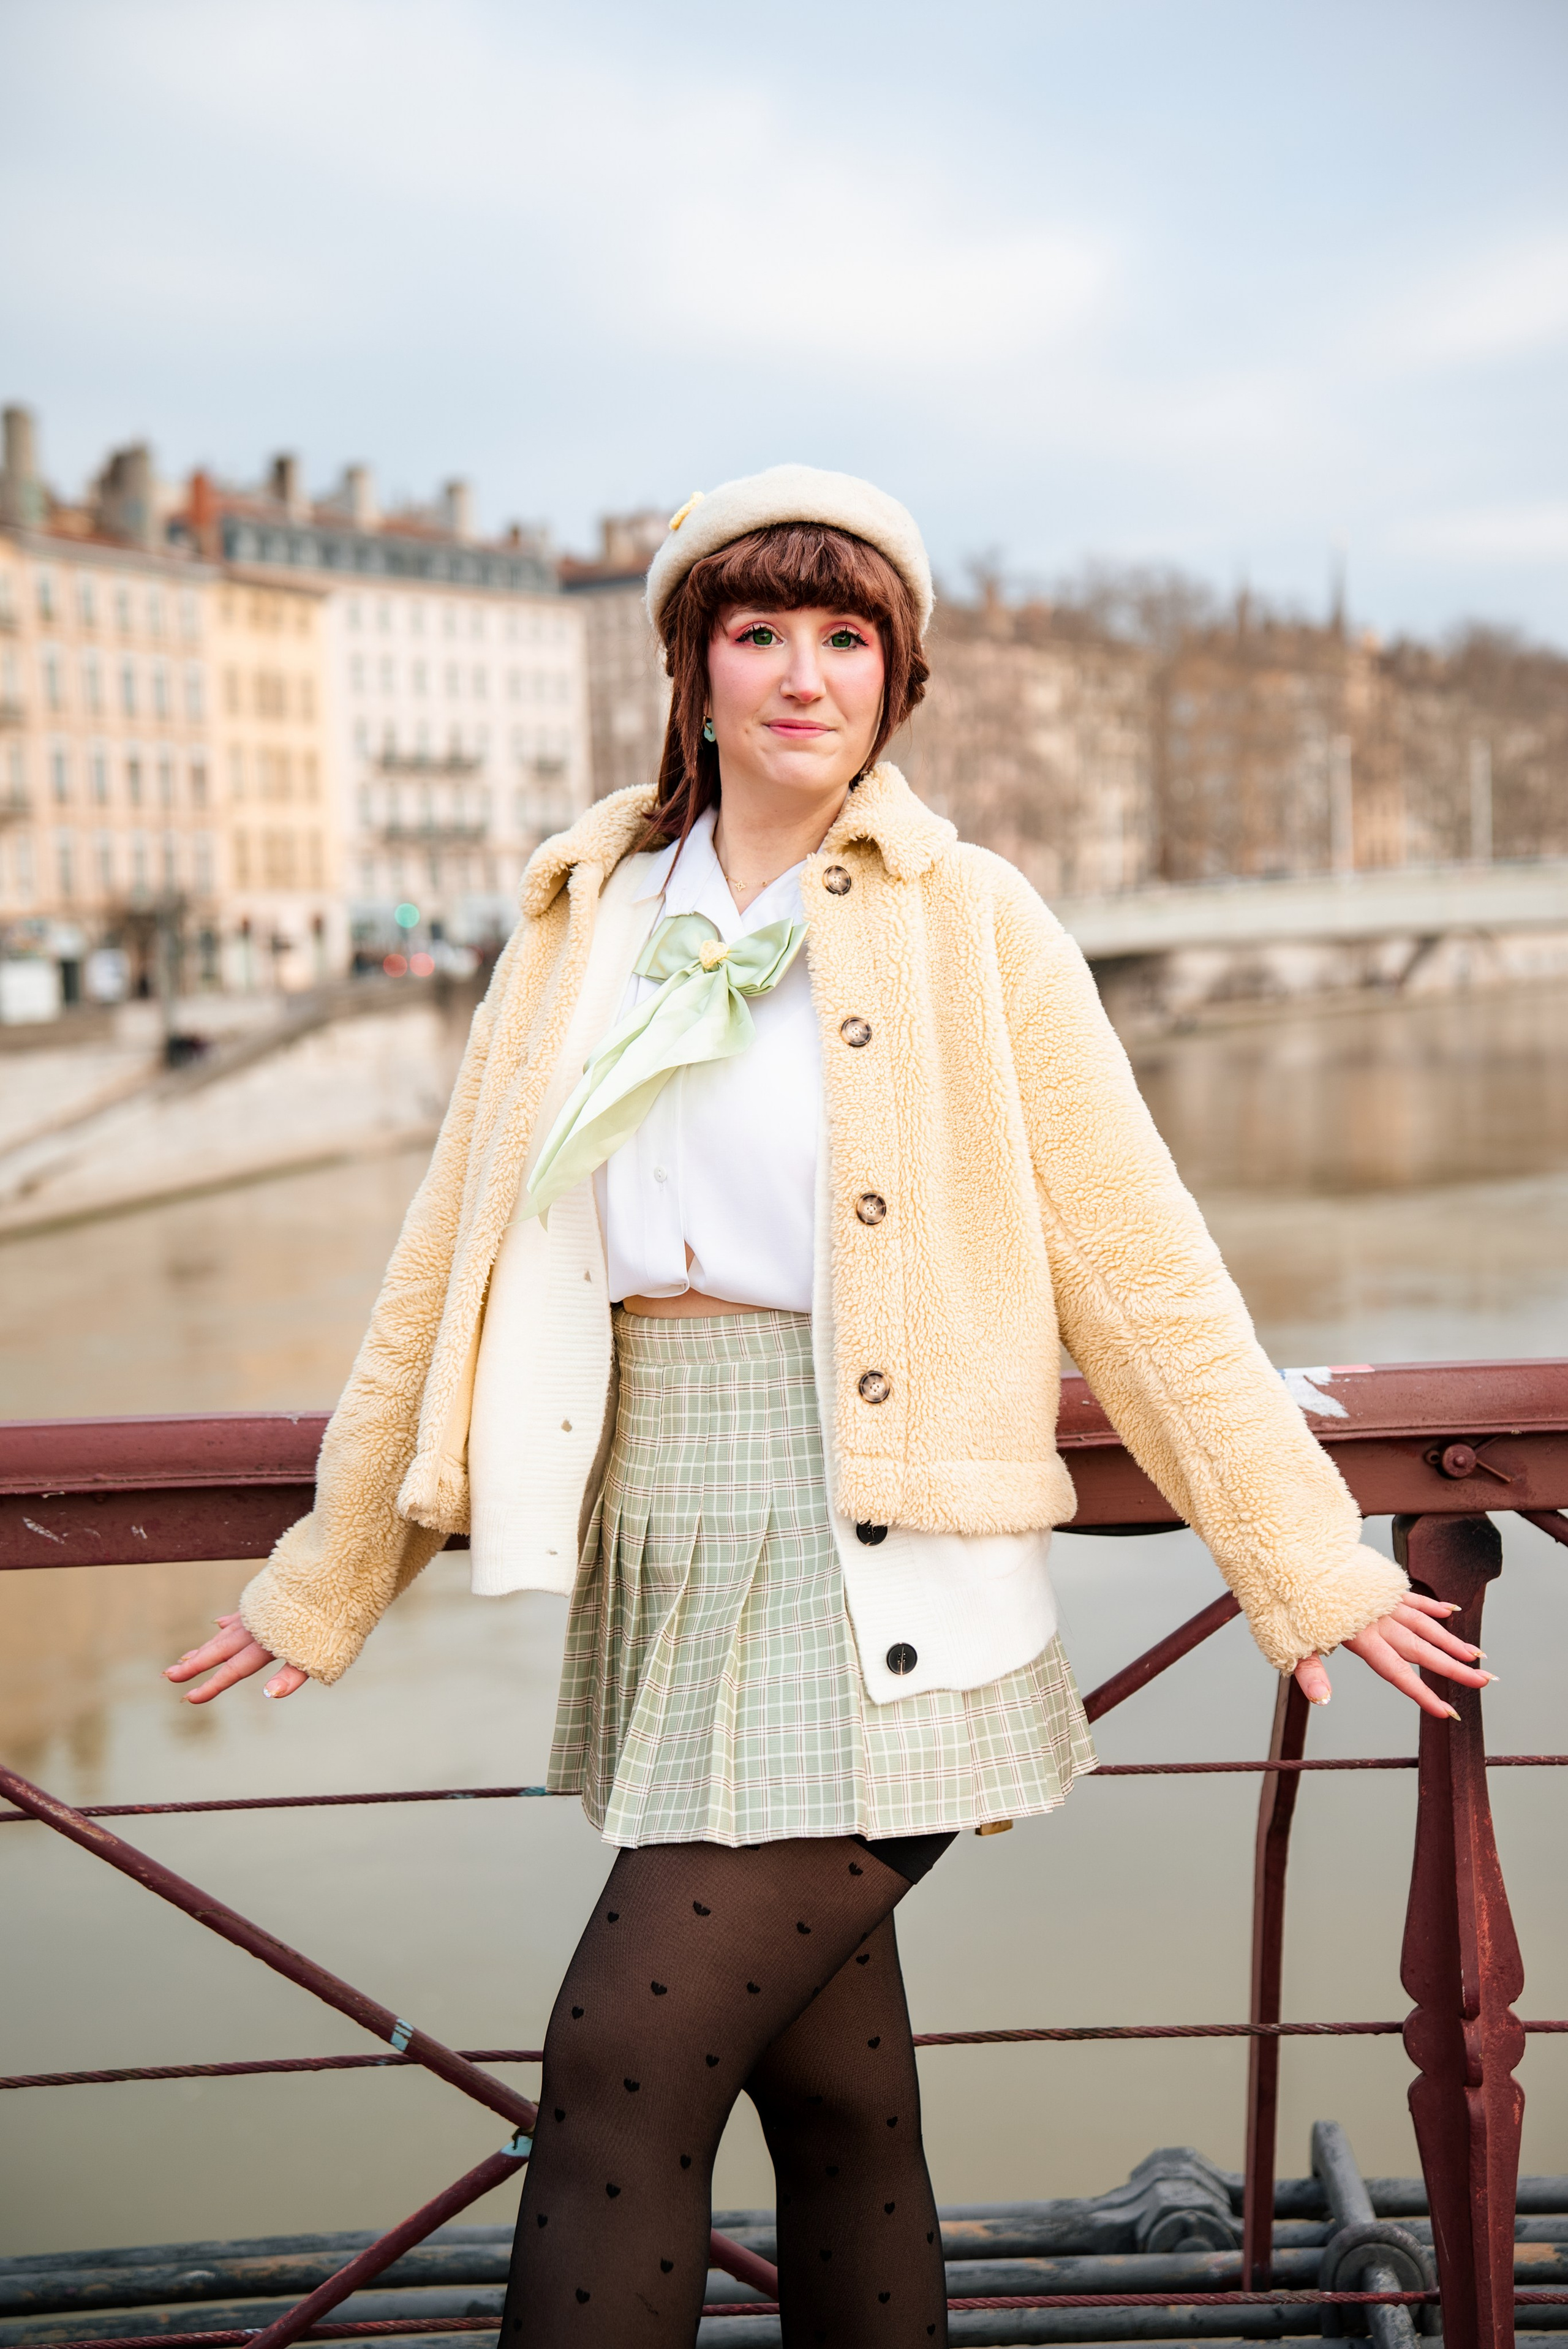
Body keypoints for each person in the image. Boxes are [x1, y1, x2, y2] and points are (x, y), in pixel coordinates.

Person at [166, 465, 1491, 2348]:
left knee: (621, 2063)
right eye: (758, 629)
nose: (803, 672)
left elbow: (1140, 1262)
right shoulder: (583, 916)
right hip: (671, 1523)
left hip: (883, 1558)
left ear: (898, 679)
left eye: (845, 636)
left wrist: (1303, 1554)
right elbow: (442, 1264)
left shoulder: (979, 923)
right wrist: (334, 1562)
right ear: (691, 669)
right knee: (839, 2095)